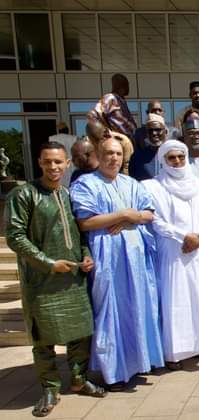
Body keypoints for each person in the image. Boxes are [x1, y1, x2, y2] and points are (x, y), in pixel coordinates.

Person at [6, 142, 107, 417]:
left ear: (67, 165)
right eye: (48, 162)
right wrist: (49, 264)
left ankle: (78, 379)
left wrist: (86, 256)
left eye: (58, 162)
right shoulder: (24, 194)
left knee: (81, 332)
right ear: (39, 162)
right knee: (43, 338)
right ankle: (49, 388)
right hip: (41, 281)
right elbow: (15, 237)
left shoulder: (68, 193)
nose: (53, 167)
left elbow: (80, 232)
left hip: (73, 278)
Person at [70, 137, 164, 391]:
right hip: (107, 258)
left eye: (118, 154)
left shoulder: (132, 184)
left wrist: (126, 219)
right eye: (108, 153)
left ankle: (137, 363)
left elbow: (148, 213)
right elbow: (85, 221)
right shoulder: (86, 184)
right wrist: (124, 214)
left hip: (135, 257)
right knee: (110, 309)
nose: (113, 158)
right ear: (98, 156)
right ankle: (111, 370)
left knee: (138, 307)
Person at [142, 140, 199, 370]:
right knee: (177, 302)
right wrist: (183, 236)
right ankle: (175, 353)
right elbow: (154, 219)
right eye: (171, 158)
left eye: (181, 156)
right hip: (173, 251)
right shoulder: (152, 187)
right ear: (163, 161)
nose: (177, 161)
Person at [87, 73, 137, 139]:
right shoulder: (111, 98)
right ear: (121, 86)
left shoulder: (120, 99)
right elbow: (118, 120)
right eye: (127, 84)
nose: (128, 87)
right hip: (114, 139)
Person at [129, 113, 166, 181]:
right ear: (146, 134)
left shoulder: (174, 154)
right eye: (150, 131)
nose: (154, 133)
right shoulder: (137, 157)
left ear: (165, 132)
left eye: (157, 130)